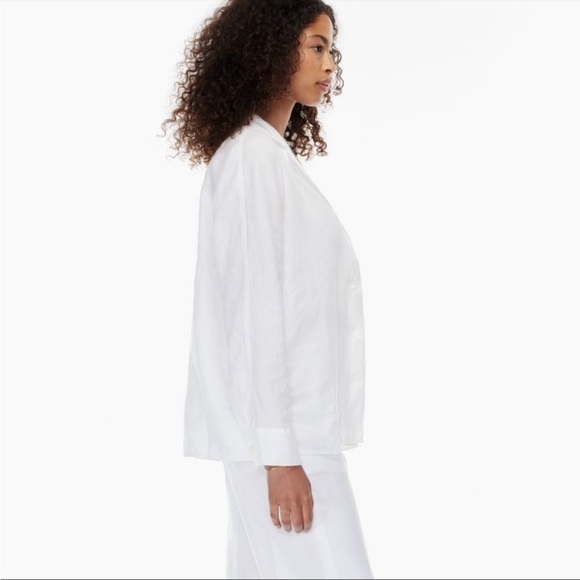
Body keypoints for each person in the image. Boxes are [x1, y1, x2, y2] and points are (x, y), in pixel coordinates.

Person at [161, 0, 373, 577]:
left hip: (286, 434)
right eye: (316, 46)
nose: (329, 64)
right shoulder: (252, 159)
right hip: (283, 439)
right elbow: (255, 310)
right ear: (271, 50)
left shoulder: (263, 157)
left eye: (332, 50)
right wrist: (280, 458)